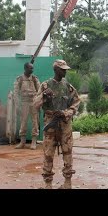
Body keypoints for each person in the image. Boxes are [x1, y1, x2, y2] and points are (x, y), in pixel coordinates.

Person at [33, 59, 80, 189]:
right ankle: (48, 184)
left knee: (68, 151)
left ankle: (67, 183)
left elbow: (76, 103)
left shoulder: (68, 87)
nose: (65, 71)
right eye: (62, 69)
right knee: (48, 152)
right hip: (50, 122)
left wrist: (66, 113)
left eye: (65, 69)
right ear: (55, 70)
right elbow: (35, 104)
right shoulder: (45, 86)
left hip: (64, 123)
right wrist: (43, 95)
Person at [13, 62, 41, 150]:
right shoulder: (20, 79)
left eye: (32, 68)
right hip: (24, 102)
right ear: (25, 68)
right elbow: (16, 92)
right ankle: (22, 142)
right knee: (23, 122)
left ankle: (33, 141)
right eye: (30, 68)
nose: (32, 70)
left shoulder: (34, 79)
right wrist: (17, 105)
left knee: (35, 122)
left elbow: (40, 91)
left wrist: (38, 103)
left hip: (33, 102)